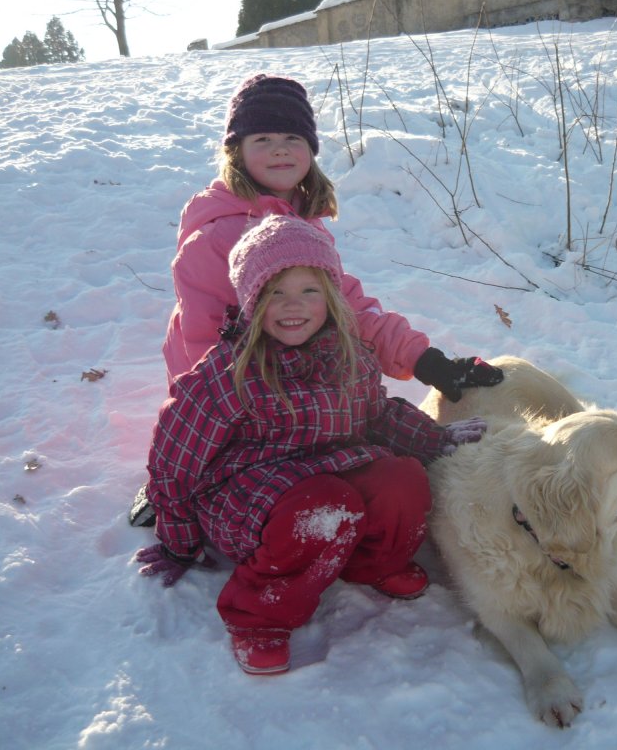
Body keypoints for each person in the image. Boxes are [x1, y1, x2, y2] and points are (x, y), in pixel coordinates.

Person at [129, 72, 501, 527]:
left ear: (311, 148)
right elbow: (200, 346)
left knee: (361, 452)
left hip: (296, 373)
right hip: (236, 393)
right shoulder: (215, 236)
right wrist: (210, 433)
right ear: (236, 152)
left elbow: (346, 307)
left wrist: (424, 360)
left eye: (292, 138)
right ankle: (180, 487)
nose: (280, 150)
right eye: (262, 139)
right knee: (258, 469)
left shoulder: (303, 223)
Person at [135, 215, 487, 676]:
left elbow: (377, 416)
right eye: (275, 293)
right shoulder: (228, 373)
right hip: (251, 500)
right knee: (326, 504)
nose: (293, 305)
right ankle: (259, 614)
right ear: (252, 301)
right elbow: (175, 459)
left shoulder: (348, 355)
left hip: (330, 475)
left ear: (332, 297)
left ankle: (373, 562)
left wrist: (435, 439)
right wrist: (177, 540)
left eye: (309, 290)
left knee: (400, 479)